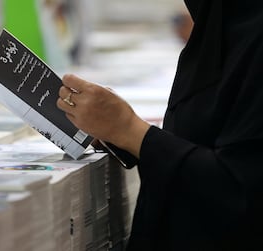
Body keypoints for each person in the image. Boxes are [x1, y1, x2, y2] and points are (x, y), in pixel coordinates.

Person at [57, 1, 263, 250]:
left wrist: (130, 130)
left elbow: (238, 193)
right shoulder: (227, 21)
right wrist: (117, 132)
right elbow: (207, 136)